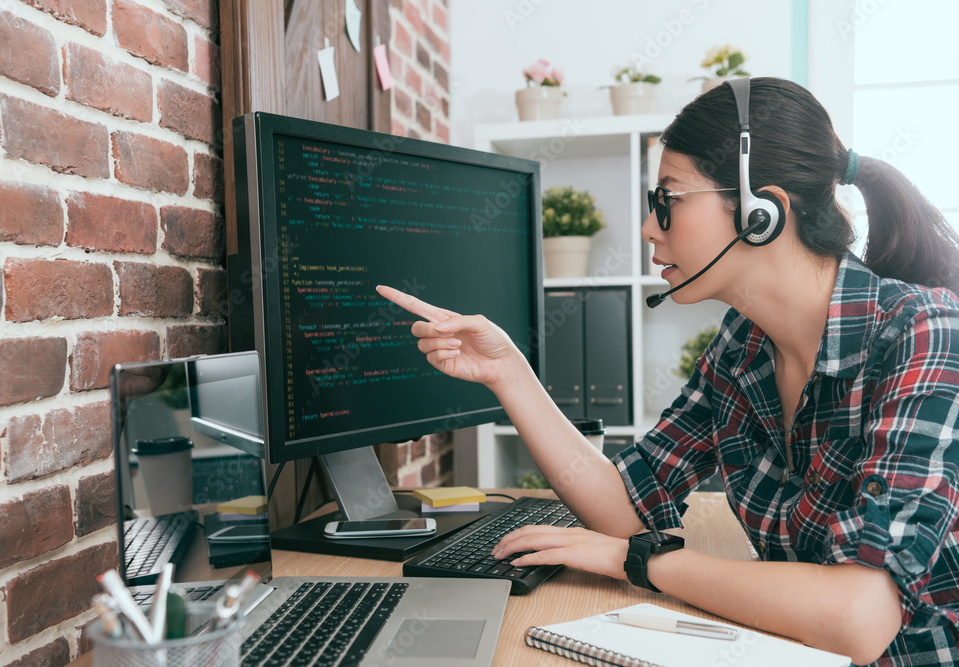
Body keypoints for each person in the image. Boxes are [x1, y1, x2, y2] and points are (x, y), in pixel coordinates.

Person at [376, 77, 959, 666]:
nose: (650, 228)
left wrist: (638, 561)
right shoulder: (742, 347)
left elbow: (858, 618)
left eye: (668, 200)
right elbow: (626, 505)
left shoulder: (921, 335)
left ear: (763, 214)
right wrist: (508, 372)